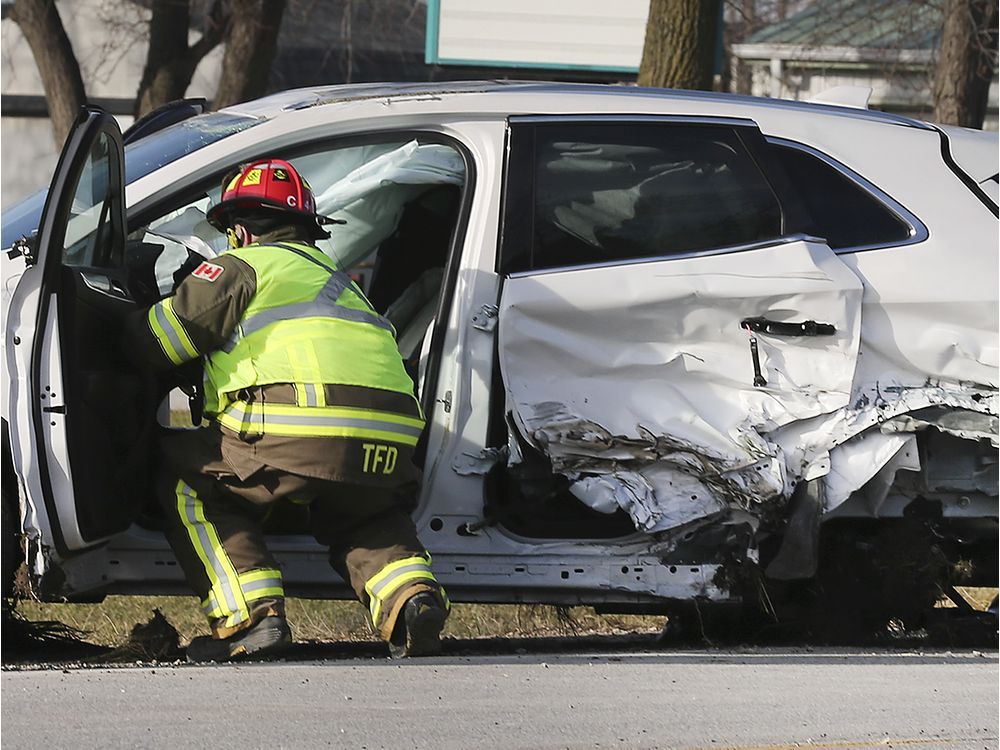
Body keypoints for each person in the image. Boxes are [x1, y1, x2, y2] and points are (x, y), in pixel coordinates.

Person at [129, 158, 449, 662]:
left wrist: (120, 321)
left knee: (189, 481)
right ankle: (410, 599)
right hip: (389, 438)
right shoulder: (339, 280)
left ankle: (251, 619)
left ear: (239, 230)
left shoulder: (240, 266)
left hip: (294, 428)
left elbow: (160, 342)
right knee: (365, 516)